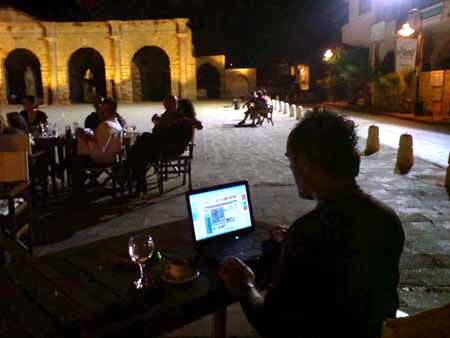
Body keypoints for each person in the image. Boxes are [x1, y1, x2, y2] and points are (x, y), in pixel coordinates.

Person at [219, 110, 405, 338]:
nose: (291, 169)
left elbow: (270, 322)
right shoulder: (387, 218)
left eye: (291, 159)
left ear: (306, 163)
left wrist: (245, 285)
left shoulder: (307, 233)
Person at [71, 97, 123, 199]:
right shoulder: (116, 123)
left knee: (74, 160)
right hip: (112, 157)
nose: (100, 113)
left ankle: (78, 192)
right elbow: (102, 141)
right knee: (73, 158)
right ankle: (89, 183)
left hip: (102, 158)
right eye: (100, 110)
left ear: (109, 111)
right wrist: (90, 137)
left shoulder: (105, 125)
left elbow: (99, 149)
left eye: (103, 110)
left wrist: (83, 137)